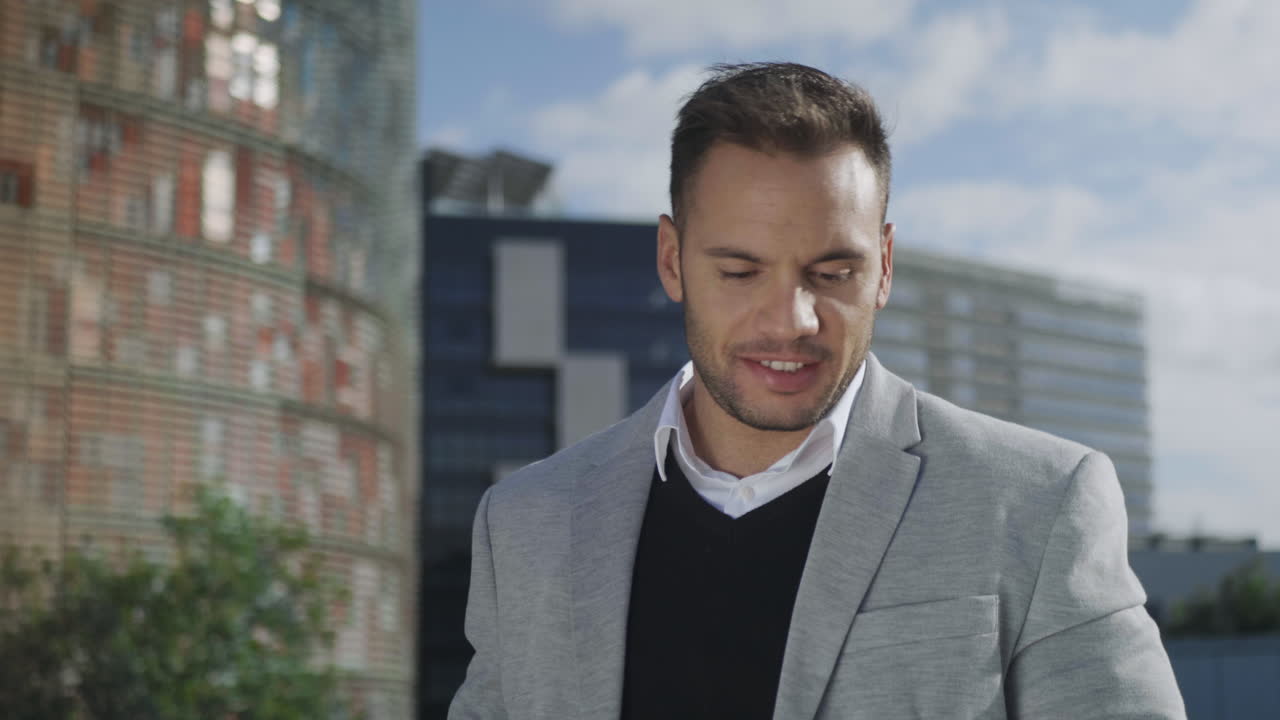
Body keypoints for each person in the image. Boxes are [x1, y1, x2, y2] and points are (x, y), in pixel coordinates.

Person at [448, 62, 1186, 719]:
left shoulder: (1041, 502)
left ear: (885, 266)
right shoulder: (526, 526)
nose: (792, 319)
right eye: (739, 272)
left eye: (833, 273)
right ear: (672, 261)